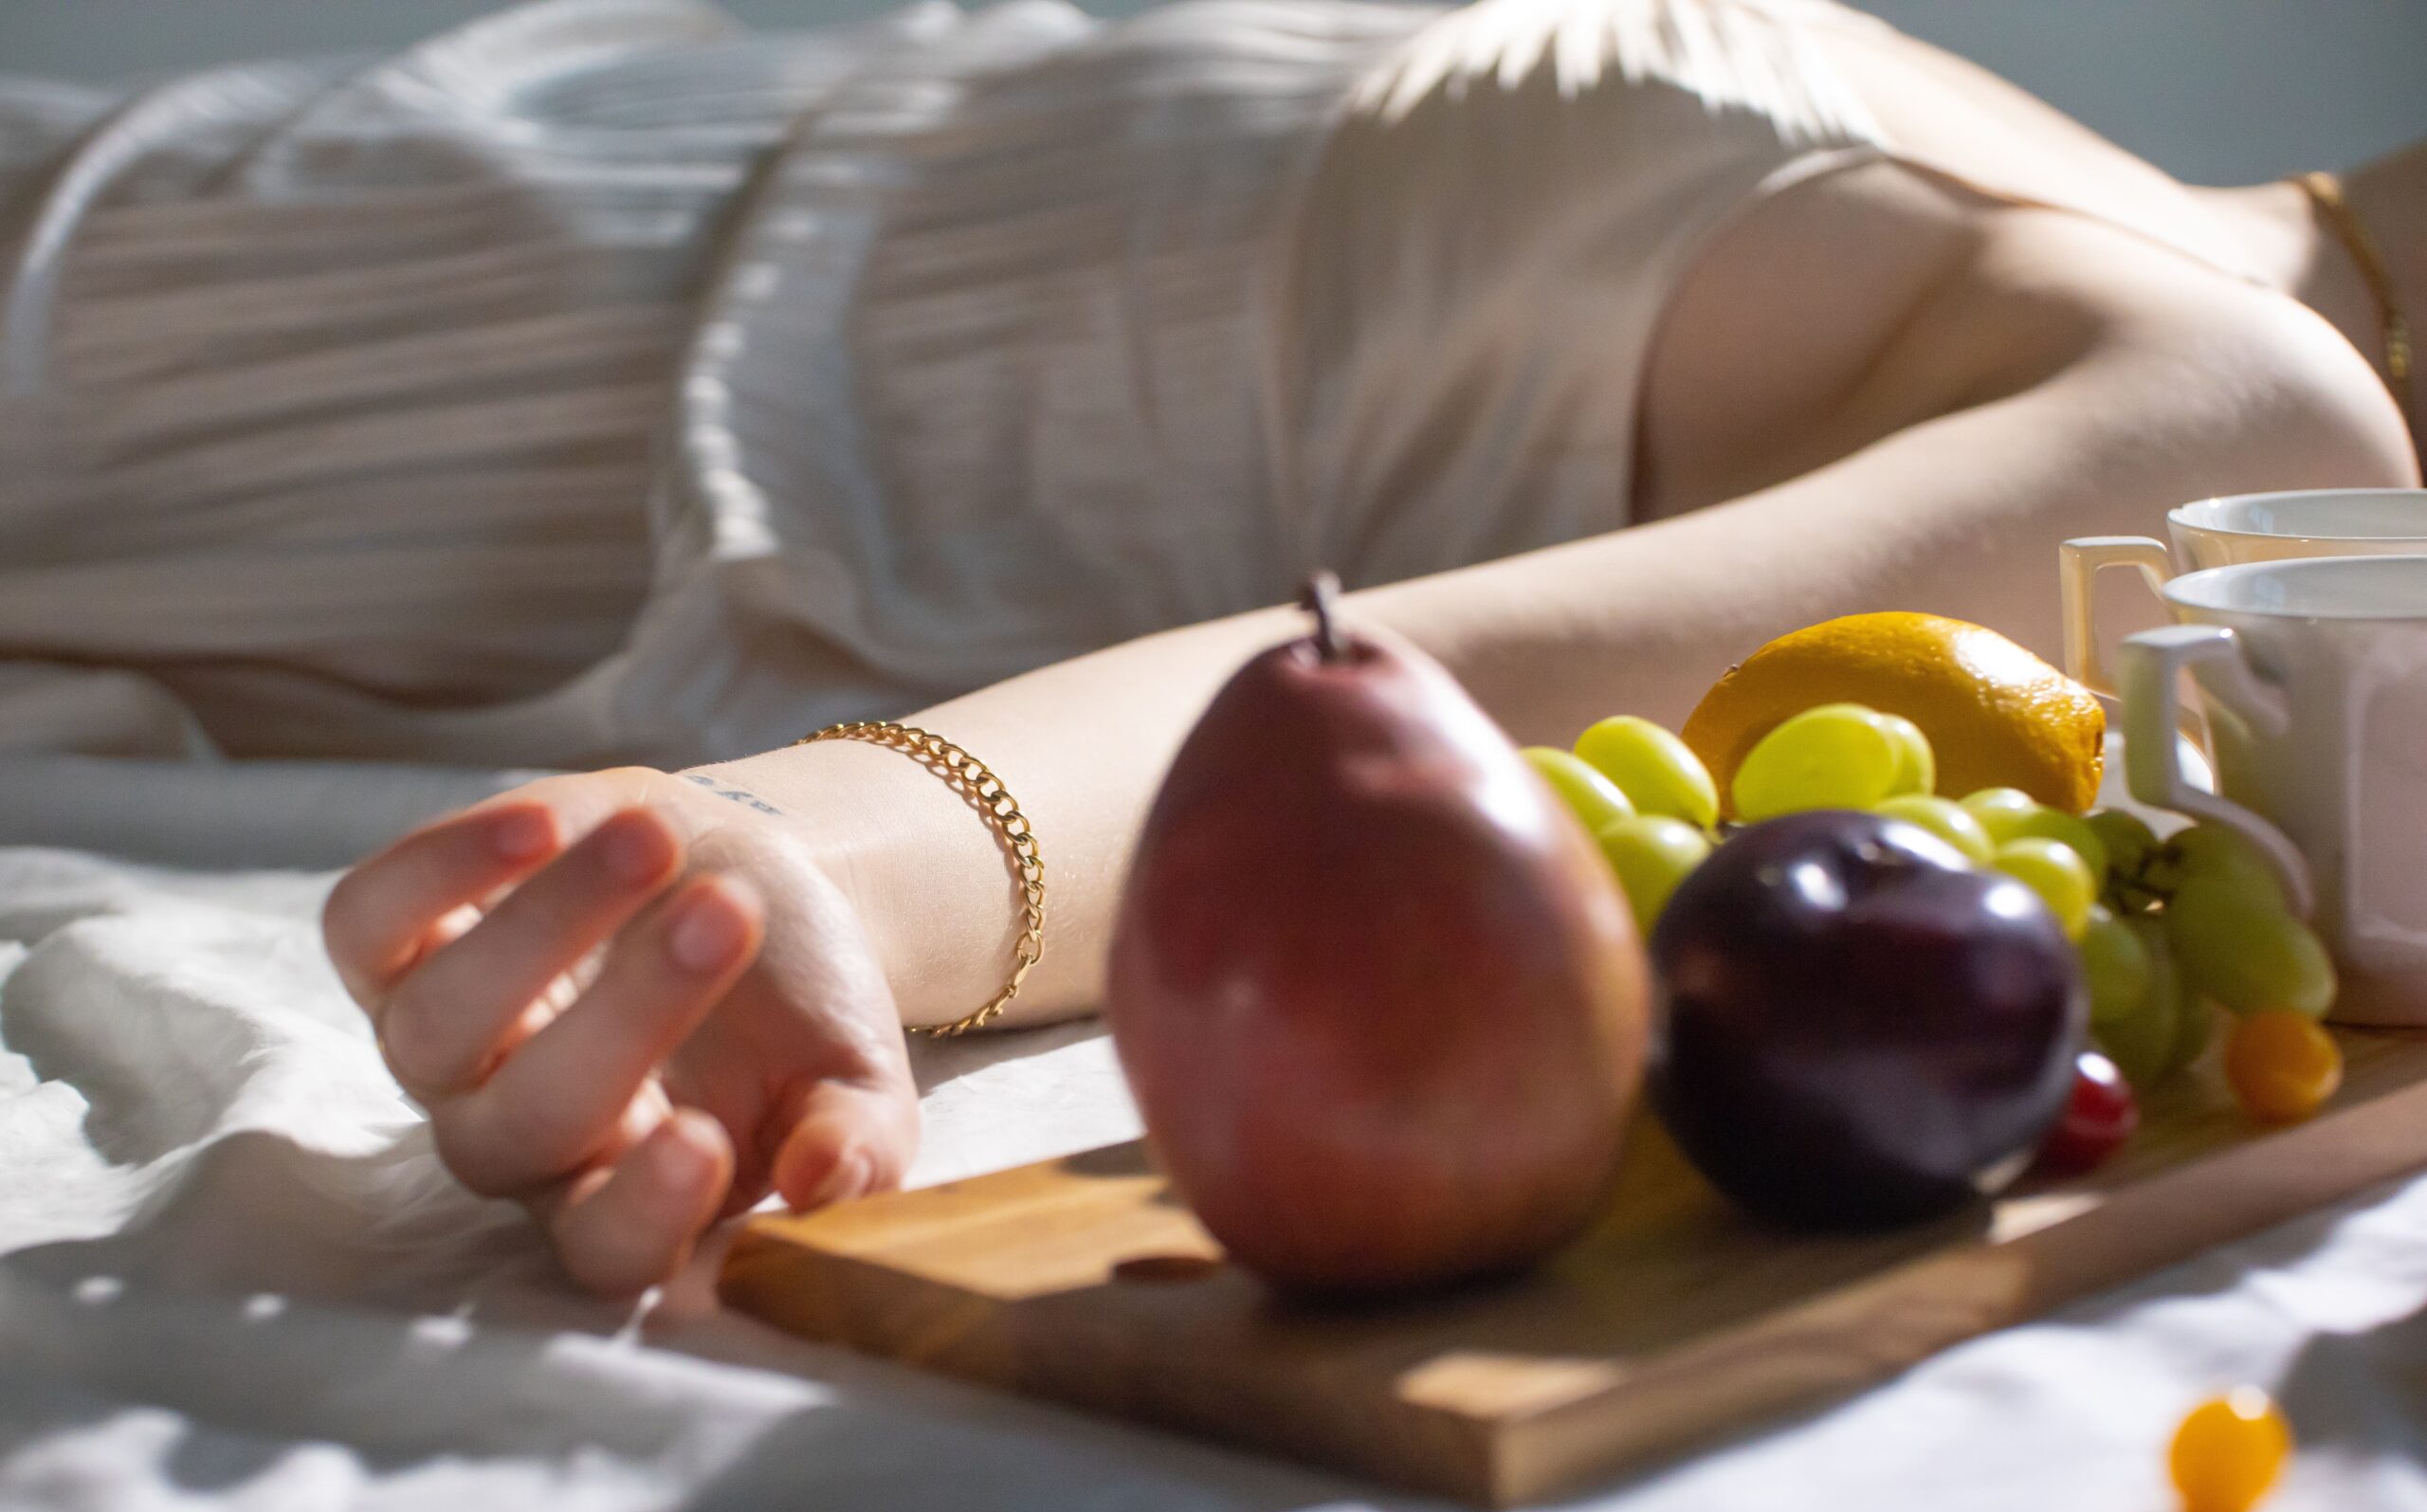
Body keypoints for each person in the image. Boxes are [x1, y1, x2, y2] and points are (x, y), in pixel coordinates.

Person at [3, 0, 2417, 1291]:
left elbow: (1442, 720)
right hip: (468, 338)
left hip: (486, 218)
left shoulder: (2133, 248)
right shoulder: (2256, 414)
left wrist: (779, 857)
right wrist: (788, 862)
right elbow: (1413, 727)